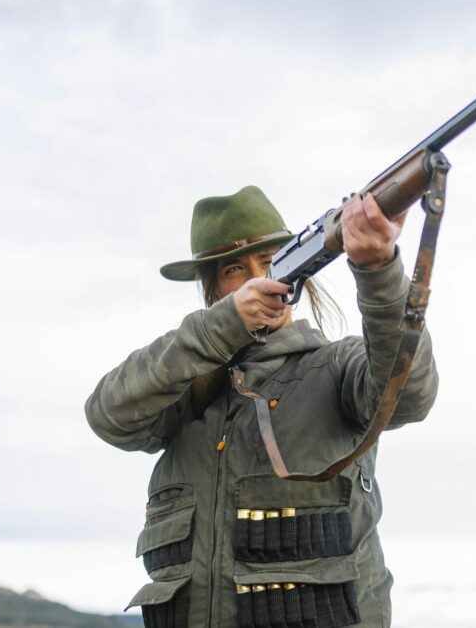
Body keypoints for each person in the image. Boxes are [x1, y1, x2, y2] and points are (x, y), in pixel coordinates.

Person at [85, 185, 438, 628]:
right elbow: (107, 413)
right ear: (213, 290)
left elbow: (409, 395)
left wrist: (379, 270)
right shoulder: (184, 391)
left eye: (270, 260)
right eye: (235, 268)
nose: (258, 277)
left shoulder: (338, 366)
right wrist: (222, 328)